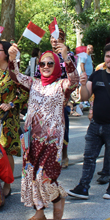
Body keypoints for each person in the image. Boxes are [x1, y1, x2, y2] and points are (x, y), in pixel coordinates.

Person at [8, 43, 78, 220]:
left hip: (52, 140)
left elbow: (75, 81)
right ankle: (39, 213)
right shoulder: (33, 83)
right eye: (42, 64)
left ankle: (58, 198)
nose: (45, 67)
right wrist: (12, 58)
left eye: (50, 64)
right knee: (31, 175)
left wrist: (66, 57)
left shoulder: (62, 85)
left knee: (43, 176)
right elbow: (15, 76)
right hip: (31, 139)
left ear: (56, 65)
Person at [68, 43, 110, 200]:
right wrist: (83, 84)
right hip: (95, 125)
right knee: (89, 157)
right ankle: (83, 188)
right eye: (108, 56)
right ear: (104, 58)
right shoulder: (97, 75)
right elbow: (85, 97)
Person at [0, 37, 29, 197]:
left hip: (8, 118)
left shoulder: (13, 71)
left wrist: (12, 104)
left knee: (6, 150)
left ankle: (8, 184)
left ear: (6, 53)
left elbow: (24, 93)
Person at [34, 30, 74, 169]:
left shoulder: (69, 56)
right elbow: (37, 77)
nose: (55, 40)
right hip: (45, 97)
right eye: (53, 38)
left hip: (61, 96)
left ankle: (64, 155)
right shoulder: (45, 56)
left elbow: (72, 77)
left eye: (59, 38)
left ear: (64, 39)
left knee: (62, 127)